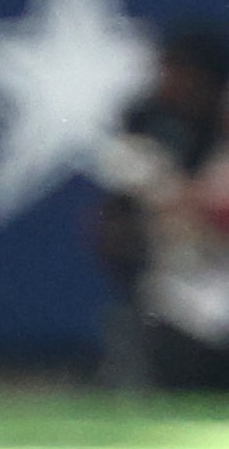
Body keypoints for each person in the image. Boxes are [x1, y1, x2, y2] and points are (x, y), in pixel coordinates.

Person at [90, 24, 229, 394]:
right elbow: (117, 216)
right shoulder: (146, 121)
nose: (171, 83)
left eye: (182, 73)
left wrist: (186, 196)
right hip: (178, 280)